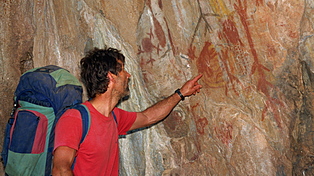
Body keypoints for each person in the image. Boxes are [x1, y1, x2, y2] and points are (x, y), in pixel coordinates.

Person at [52, 47, 202, 176]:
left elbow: (148, 117)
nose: (128, 75)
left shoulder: (115, 117)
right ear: (110, 77)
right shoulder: (75, 118)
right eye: (122, 69)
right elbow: (60, 169)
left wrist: (180, 93)